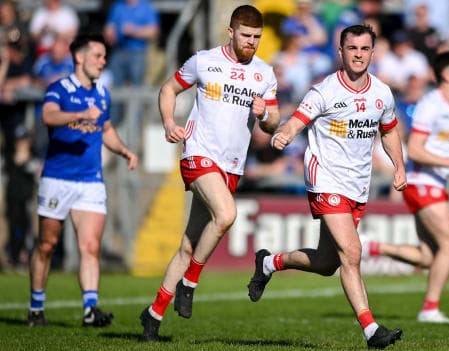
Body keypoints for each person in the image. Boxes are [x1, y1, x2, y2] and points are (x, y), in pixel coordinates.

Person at [247, 24, 407, 349]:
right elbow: (297, 119)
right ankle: (371, 330)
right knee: (353, 252)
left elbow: (389, 131)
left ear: (372, 53)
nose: (358, 55)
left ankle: (269, 262)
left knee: (326, 263)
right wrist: (286, 133)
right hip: (325, 178)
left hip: (357, 185)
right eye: (352, 48)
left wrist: (399, 165)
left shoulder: (382, 93)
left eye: (364, 49)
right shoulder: (325, 90)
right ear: (341, 52)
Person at [139, 5, 280, 342]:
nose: (252, 43)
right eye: (246, 36)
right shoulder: (203, 61)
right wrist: (169, 123)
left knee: (188, 246)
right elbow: (168, 90)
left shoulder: (264, 73)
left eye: (257, 37)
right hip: (198, 154)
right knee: (227, 214)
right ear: (231, 32)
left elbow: (273, 120)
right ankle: (190, 283)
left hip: (231, 165)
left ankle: (153, 314)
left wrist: (265, 115)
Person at [27, 33, 138, 327]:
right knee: (47, 245)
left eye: (104, 57)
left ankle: (90, 309)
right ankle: (36, 307)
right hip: (58, 179)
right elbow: (48, 116)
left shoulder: (102, 93)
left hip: (91, 181)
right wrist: (80, 113)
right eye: (97, 56)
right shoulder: (60, 88)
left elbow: (106, 128)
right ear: (79, 57)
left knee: (90, 246)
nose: (103, 62)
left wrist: (124, 150)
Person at [360, 51, 449, 324]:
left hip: (436, 182)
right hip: (422, 181)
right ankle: (429, 308)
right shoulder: (430, 105)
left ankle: (370, 247)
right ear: (447, 75)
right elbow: (415, 150)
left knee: (426, 257)